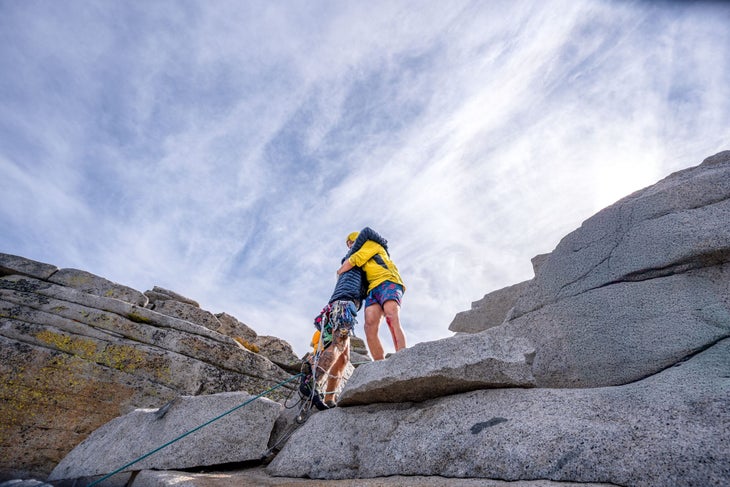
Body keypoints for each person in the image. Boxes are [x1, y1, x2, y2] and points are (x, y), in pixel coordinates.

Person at [299, 253, 367, 409]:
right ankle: (313, 381)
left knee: (344, 357)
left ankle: (330, 397)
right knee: (339, 344)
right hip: (344, 307)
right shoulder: (355, 264)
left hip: (337, 308)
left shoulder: (346, 271)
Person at [336, 227, 406, 360]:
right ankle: (379, 364)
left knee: (391, 316)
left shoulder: (371, 243)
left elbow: (356, 258)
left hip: (387, 280)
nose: (350, 245)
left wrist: (340, 272)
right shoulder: (356, 253)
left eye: (351, 241)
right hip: (372, 290)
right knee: (369, 326)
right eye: (348, 244)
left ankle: (402, 356)